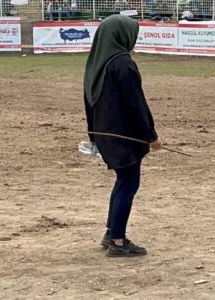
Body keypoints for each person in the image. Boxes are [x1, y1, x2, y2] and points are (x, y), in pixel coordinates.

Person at [83, 15, 162, 257]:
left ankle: (111, 232)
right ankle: (118, 240)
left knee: (122, 181)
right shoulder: (123, 64)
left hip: (105, 134)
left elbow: (88, 103)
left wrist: (93, 136)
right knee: (129, 183)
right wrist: (151, 135)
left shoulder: (97, 64)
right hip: (124, 137)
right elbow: (136, 103)